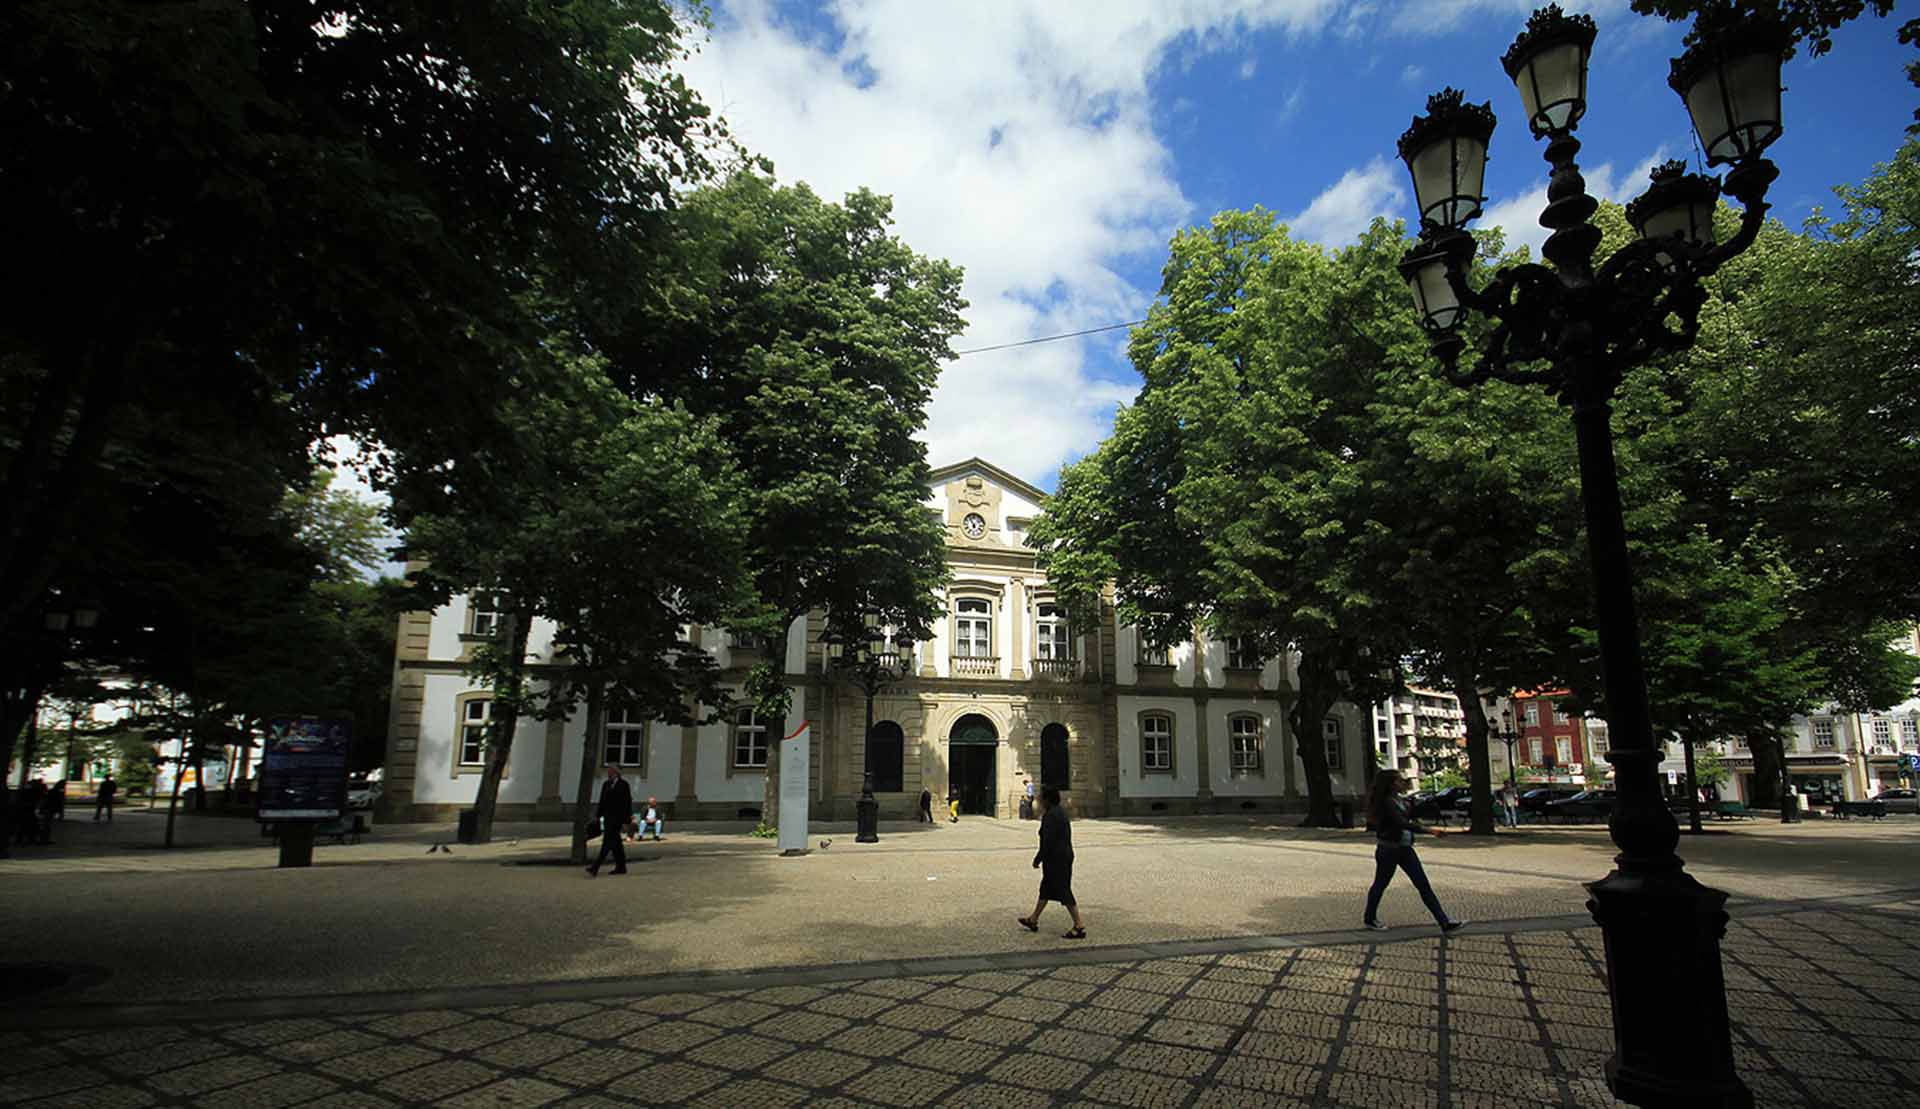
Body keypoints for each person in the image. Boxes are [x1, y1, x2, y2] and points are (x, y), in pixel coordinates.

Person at [1364, 769, 1466, 934]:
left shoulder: (1398, 800)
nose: (1401, 782)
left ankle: (1444, 922)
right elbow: (1401, 823)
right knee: (1381, 884)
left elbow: (1407, 817)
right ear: (1390, 784)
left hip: (1405, 848)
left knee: (1422, 884)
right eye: (1398, 780)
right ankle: (1369, 918)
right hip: (1389, 848)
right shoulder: (1386, 803)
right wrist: (1430, 830)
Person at [1017, 786, 1086, 939]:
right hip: (1062, 856)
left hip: (1057, 858)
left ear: (1047, 800)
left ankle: (1079, 925)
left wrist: (1038, 858)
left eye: (1041, 797)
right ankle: (1033, 919)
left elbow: (1047, 842)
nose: (1039, 800)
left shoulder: (1051, 816)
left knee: (1063, 890)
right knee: (1046, 888)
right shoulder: (1059, 812)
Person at [587, 766, 633, 877]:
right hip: (608, 818)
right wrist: (597, 816)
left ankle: (595, 866)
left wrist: (627, 820)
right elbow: (602, 801)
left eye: (610, 771)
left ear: (616, 773)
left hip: (618, 818)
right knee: (616, 844)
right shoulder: (606, 784)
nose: (608, 773)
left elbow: (627, 802)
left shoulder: (624, 785)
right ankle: (621, 867)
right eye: (608, 771)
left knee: (607, 842)